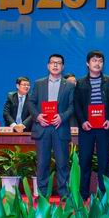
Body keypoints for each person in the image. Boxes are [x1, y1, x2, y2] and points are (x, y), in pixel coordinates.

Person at [26, 54, 74, 198]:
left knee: (62, 163)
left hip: (60, 128)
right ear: (48, 66)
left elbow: (72, 106)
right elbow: (31, 102)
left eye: (58, 63)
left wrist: (62, 117)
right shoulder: (39, 83)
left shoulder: (69, 85)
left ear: (63, 67)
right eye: (53, 62)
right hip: (43, 127)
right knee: (42, 163)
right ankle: (42, 194)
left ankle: (63, 193)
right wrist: (37, 116)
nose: (55, 65)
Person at [74, 50, 109, 198]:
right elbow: (77, 104)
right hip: (87, 128)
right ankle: (83, 194)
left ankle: (104, 194)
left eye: (100, 61)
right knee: (84, 161)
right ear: (87, 63)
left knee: (104, 162)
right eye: (94, 60)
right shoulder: (80, 83)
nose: (97, 63)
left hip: (104, 128)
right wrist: (82, 121)